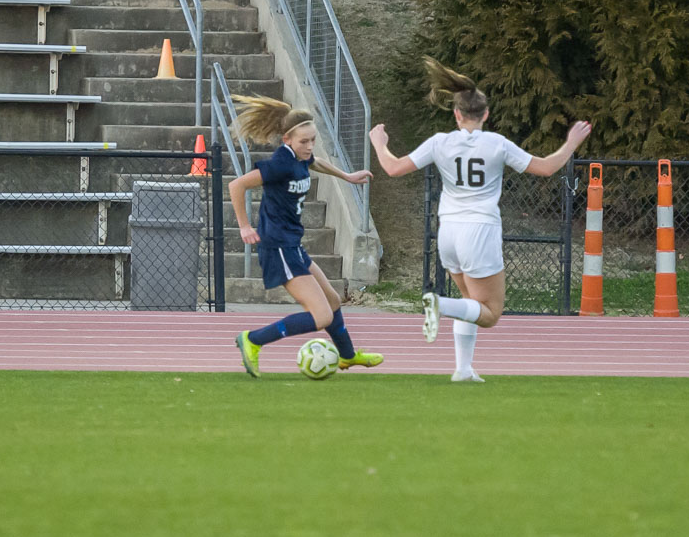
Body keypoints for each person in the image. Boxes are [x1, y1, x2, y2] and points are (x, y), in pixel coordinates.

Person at [368, 57, 592, 382]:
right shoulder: (496, 144)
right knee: (490, 315)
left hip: (448, 232)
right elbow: (545, 168)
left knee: (471, 303)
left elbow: (392, 168)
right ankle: (438, 305)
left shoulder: (439, 142)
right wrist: (571, 142)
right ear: (486, 114)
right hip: (480, 230)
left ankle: (463, 369)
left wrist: (380, 144)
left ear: (456, 114)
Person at [229, 95, 384, 377]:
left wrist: (347, 176)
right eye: (304, 141)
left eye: (312, 140)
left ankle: (347, 356)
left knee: (334, 301)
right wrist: (244, 226)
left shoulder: (300, 157)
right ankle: (252, 340)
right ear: (287, 138)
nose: (309, 146)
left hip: (292, 245)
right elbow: (237, 186)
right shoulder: (280, 164)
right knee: (322, 315)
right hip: (278, 247)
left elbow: (317, 162)